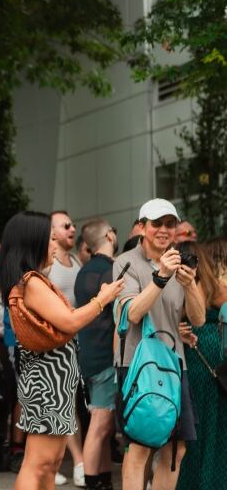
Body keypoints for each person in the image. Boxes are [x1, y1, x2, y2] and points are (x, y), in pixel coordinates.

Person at [0, 211, 124, 490]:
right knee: (39, 464)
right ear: (34, 243)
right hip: (47, 382)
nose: (55, 246)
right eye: (50, 239)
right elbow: (71, 321)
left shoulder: (31, 280)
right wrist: (102, 299)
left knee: (51, 463)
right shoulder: (31, 281)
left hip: (53, 381)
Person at [112, 199, 205, 490]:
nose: (164, 230)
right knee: (140, 446)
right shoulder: (126, 262)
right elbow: (133, 313)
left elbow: (199, 319)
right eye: (157, 224)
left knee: (176, 448)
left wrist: (189, 285)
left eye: (170, 224)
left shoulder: (180, 262)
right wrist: (162, 276)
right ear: (142, 227)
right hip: (138, 364)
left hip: (175, 364)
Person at [176, 239, 227, 490]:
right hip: (214, 353)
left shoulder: (177, 283)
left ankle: (192, 483)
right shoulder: (215, 286)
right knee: (217, 427)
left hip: (192, 355)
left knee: (193, 427)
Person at [74, 219, 120, 490]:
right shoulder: (112, 269)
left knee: (102, 426)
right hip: (106, 355)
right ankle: (93, 482)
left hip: (88, 355)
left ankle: (103, 480)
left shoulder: (84, 272)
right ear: (109, 236)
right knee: (101, 425)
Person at [48, 210, 85, 486]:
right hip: (54, 343)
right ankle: (77, 462)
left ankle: (64, 462)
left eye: (73, 225)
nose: (73, 229)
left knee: (70, 403)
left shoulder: (76, 261)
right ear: (51, 232)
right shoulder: (46, 265)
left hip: (79, 340)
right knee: (61, 404)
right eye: (66, 225)